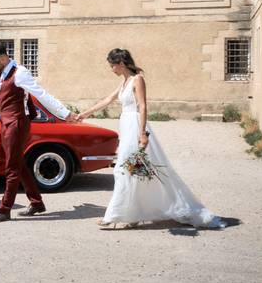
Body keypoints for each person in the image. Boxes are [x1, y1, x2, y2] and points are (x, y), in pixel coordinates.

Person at [75, 48, 225, 230]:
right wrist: (84, 114)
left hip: (135, 126)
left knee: (125, 169)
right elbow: (107, 100)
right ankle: (133, 214)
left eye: (112, 65)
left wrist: (142, 134)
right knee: (134, 171)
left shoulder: (137, 79)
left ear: (121, 64)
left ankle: (114, 215)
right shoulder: (124, 82)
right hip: (126, 125)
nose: (111, 69)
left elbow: (143, 106)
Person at [0, 42, 74, 223]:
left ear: (2, 58)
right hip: (7, 122)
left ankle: (4, 209)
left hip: (17, 123)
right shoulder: (1, 74)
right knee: (19, 163)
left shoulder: (20, 73)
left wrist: (65, 113)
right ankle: (36, 202)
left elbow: (41, 94)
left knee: (12, 167)